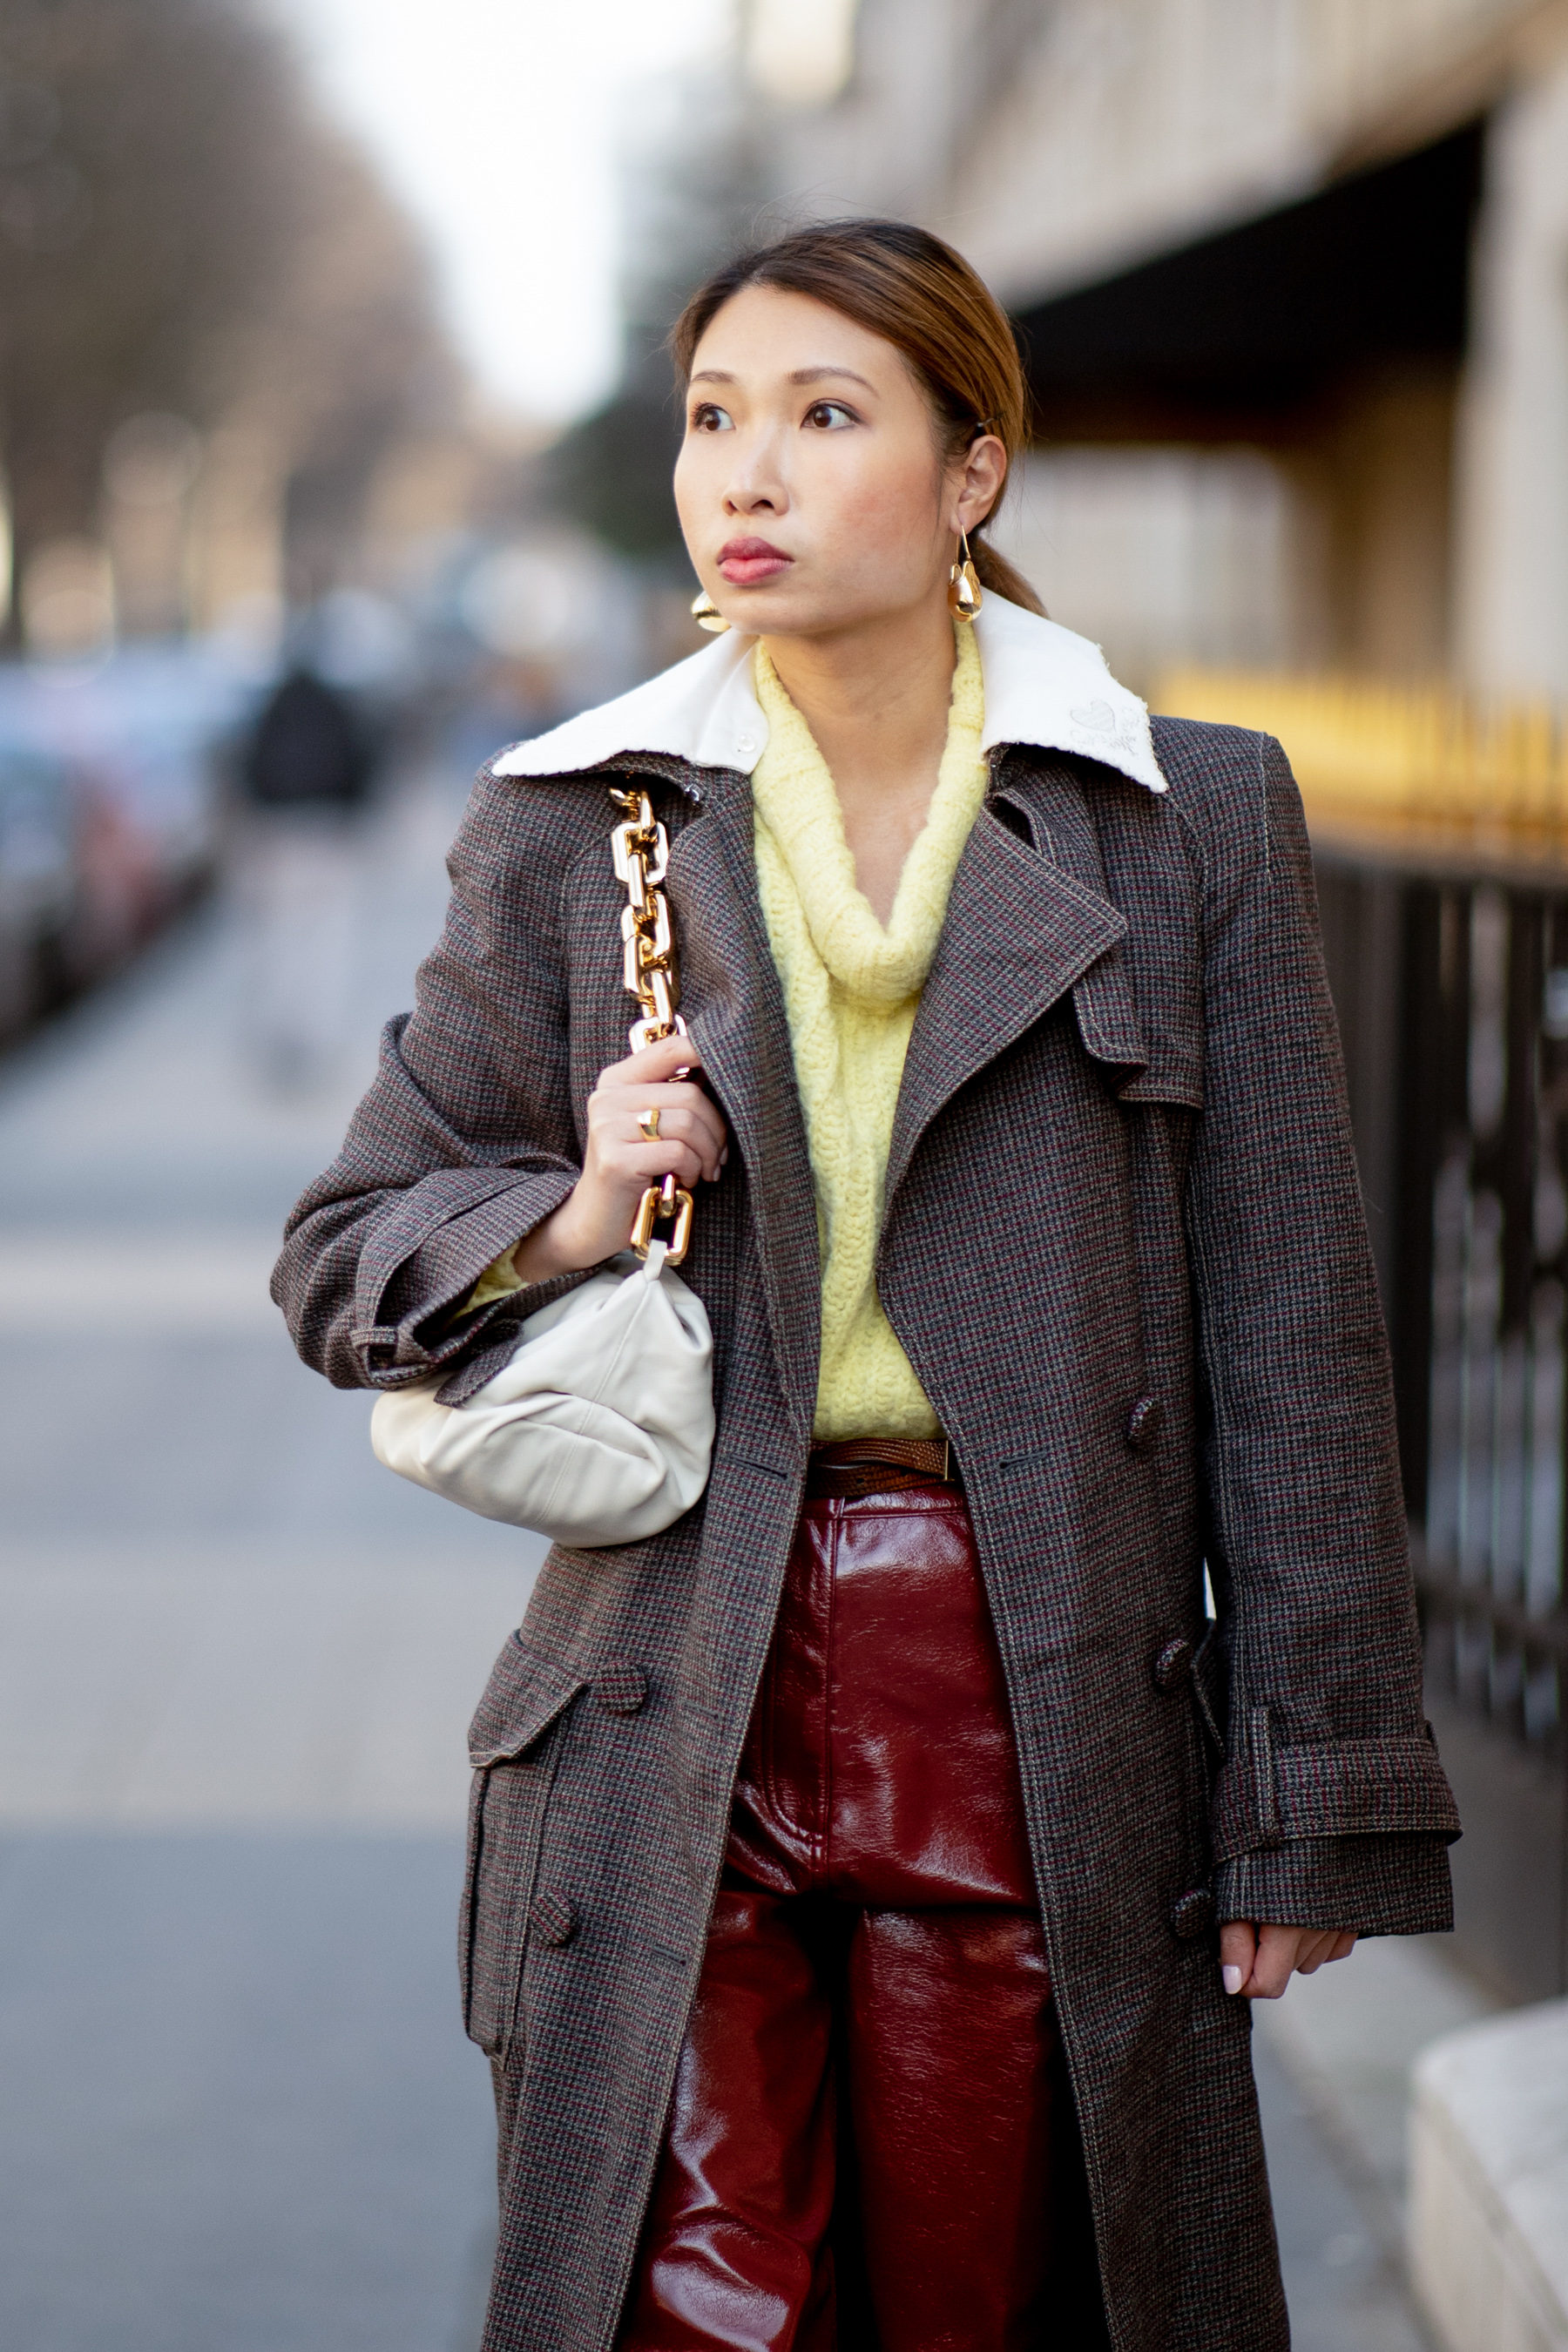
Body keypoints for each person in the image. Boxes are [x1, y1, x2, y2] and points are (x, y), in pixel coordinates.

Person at [273, 220, 1460, 2352]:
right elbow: (346, 1251)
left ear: (972, 476)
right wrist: (566, 1204)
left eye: (828, 418)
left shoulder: (1182, 821)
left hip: (1036, 1684)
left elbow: (1291, 1329)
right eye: (719, 417)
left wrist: (1315, 1789)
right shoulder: (578, 824)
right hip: (671, 1679)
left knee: (985, 2298)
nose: (751, 474)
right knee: (704, 2307)